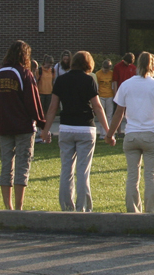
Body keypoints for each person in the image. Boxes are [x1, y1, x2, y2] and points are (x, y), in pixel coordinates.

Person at [41, 51, 113, 212]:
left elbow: (52, 108)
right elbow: (97, 107)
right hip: (85, 128)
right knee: (82, 171)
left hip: (66, 127)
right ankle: (83, 207)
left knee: (66, 170)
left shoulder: (61, 80)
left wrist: (46, 130)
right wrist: (108, 131)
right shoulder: (89, 80)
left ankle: (67, 207)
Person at [107, 52, 154, 213]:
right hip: (151, 133)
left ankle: (132, 209)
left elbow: (119, 113)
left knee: (132, 176)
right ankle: (151, 210)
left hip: (132, 134)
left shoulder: (126, 85)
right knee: (150, 176)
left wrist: (110, 133)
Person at [0, 41, 45, 210]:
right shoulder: (25, 74)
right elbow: (32, 101)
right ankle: (19, 207)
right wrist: (41, 123)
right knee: (22, 165)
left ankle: (8, 206)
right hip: (23, 126)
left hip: (4, 126)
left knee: (6, 165)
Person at [94, 59, 116, 140]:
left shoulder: (112, 74)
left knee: (109, 115)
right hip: (101, 96)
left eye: (107, 70)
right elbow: (96, 85)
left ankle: (109, 133)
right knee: (102, 114)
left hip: (109, 96)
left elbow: (113, 85)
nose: (106, 71)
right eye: (105, 69)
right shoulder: (98, 74)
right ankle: (102, 133)